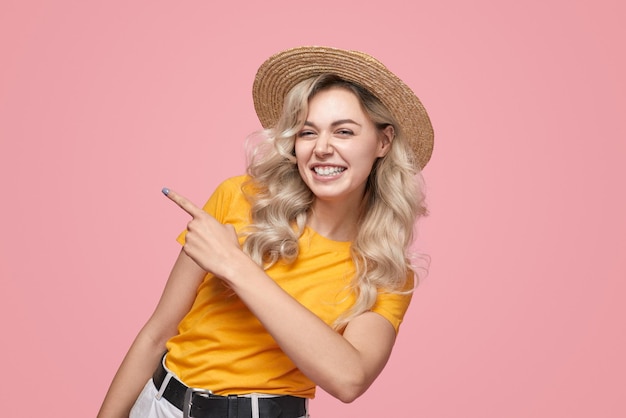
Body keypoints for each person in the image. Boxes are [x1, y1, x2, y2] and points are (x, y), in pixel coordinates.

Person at [98, 46, 434, 418]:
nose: (322, 148)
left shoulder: (386, 270)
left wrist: (236, 267)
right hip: (160, 407)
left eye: (343, 132)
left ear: (383, 142)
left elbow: (349, 378)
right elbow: (157, 334)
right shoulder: (238, 198)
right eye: (308, 132)